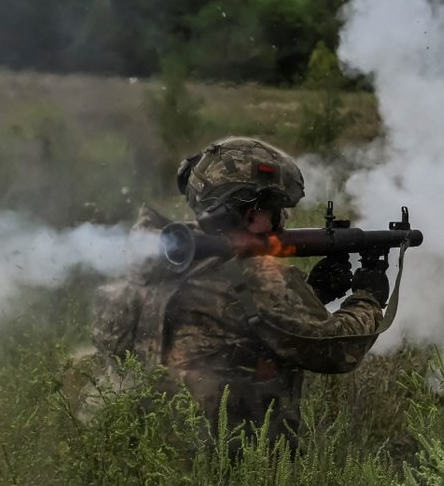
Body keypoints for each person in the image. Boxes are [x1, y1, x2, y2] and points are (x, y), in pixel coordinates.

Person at [91, 136, 390, 447]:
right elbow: (337, 350)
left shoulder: (157, 258)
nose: (282, 221)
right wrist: (368, 297)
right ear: (250, 215)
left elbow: (231, 324)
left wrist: (312, 291)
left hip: (143, 448)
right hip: (223, 463)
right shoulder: (255, 277)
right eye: (275, 210)